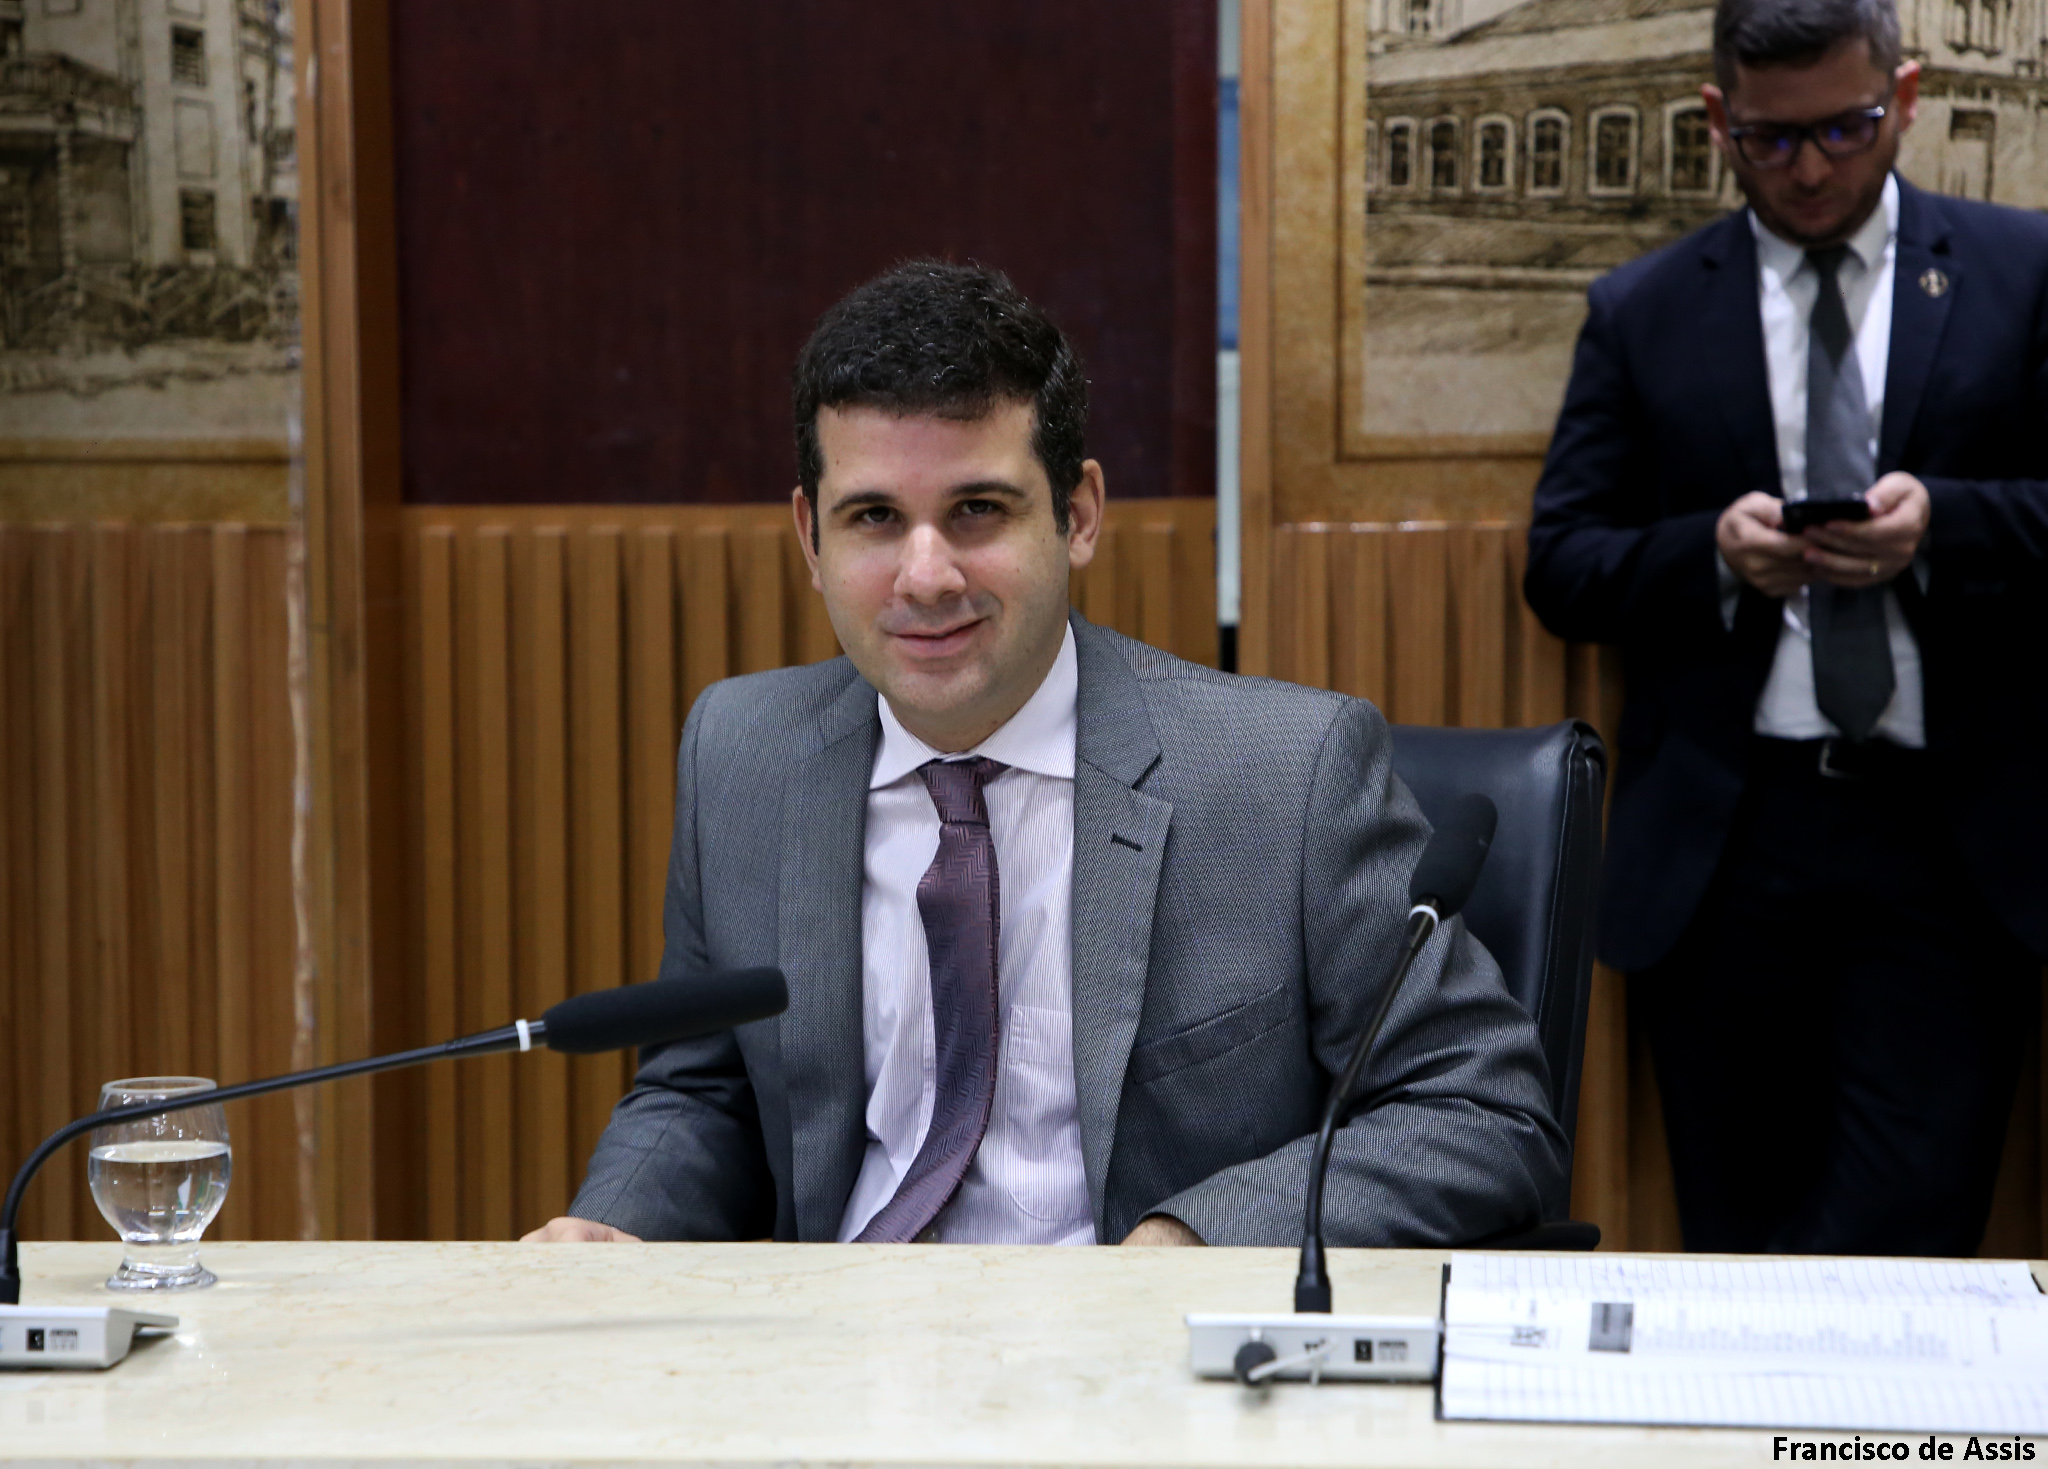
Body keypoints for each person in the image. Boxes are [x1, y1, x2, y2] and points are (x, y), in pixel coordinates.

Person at [527, 261, 1567, 1247]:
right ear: (810, 537)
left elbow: (1482, 1112)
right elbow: (706, 1092)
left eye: (977, 510)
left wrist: (1190, 1238)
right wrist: (619, 1226)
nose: (926, 576)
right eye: (874, 517)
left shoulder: (1285, 776)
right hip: (842, 1344)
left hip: (1132, 1345)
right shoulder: (744, 755)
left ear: (1077, 515)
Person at [1525, 0, 2048, 1255]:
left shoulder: (2020, 271)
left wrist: (1946, 524)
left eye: (1843, 129)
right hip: (1726, 849)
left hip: (1947, 842)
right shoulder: (1643, 308)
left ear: (1902, 97)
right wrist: (1709, 554)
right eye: (1769, 140)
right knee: (1738, 1244)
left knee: (1907, 1248)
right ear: (1718, 119)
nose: (1808, 168)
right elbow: (1561, 563)